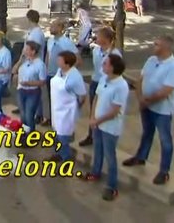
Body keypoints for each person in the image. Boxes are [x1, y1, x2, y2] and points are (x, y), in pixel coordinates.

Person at [122, 35, 174, 185]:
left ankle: (164, 171)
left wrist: (146, 101)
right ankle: (141, 157)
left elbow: (165, 91)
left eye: (156, 44)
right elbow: (140, 80)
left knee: (165, 140)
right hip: (146, 106)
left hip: (162, 110)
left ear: (165, 48)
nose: (153, 46)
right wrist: (140, 98)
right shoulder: (151, 60)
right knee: (147, 133)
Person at [83, 53, 129, 201]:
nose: (102, 66)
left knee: (110, 156)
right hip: (97, 123)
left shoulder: (121, 86)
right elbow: (96, 97)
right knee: (98, 150)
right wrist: (92, 116)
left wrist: (98, 120)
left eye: (105, 64)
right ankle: (95, 172)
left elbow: (115, 111)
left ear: (113, 67)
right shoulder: (104, 79)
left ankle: (112, 186)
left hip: (110, 127)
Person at [79, 27, 122, 147]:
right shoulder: (95, 51)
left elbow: (117, 72)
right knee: (93, 109)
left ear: (105, 39)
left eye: (98, 36)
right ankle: (91, 135)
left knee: (104, 109)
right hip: (95, 81)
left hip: (107, 84)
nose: (96, 38)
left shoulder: (114, 54)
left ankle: (103, 135)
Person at [49, 50, 86, 162]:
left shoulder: (75, 76)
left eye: (59, 60)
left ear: (67, 63)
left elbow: (82, 95)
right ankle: (59, 154)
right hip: (56, 108)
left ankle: (66, 157)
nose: (57, 61)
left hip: (67, 111)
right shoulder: (60, 71)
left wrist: (76, 107)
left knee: (63, 135)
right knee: (57, 133)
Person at [44, 19, 80, 127]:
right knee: (51, 100)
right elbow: (48, 56)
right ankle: (52, 120)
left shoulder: (66, 42)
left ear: (60, 28)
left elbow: (78, 60)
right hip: (50, 76)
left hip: (61, 77)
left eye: (53, 26)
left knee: (61, 102)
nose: (51, 28)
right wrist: (45, 69)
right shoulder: (50, 41)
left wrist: (66, 73)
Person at [12, 41, 47, 133]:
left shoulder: (40, 64)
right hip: (21, 91)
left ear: (33, 51)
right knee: (23, 114)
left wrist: (29, 83)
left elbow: (42, 82)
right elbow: (13, 71)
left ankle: (31, 134)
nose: (24, 51)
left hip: (33, 92)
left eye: (27, 49)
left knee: (29, 114)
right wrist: (20, 60)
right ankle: (24, 132)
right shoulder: (24, 61)